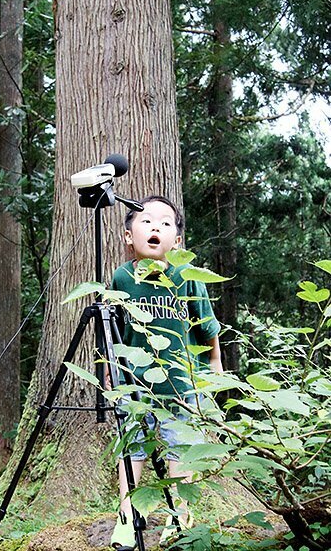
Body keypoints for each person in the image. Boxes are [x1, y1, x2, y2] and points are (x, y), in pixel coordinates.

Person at [108, 195, 223, 551]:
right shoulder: (121, 277)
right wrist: (113, 374)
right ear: (129, 237)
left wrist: (215, 369)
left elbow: (206, 328)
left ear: (177, 239)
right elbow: (113, 332)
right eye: (146, 221)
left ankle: (181, 516)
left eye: (165, 222)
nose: (156, 227)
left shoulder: (186, 277)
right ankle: (128, 516)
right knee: (132, 450)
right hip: (134, 384)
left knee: (180, 451)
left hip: (182, 385)